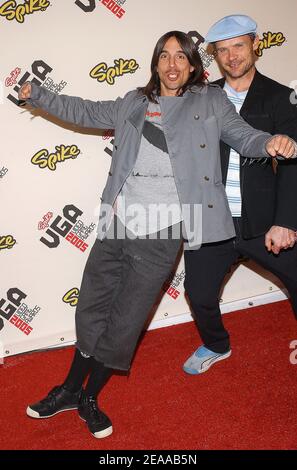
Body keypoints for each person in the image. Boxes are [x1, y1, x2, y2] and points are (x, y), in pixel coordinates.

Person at [19, 30, 296, 439]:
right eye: (164, 56)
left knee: (126, 319)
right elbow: (85, 110)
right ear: (155, 62)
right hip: (118, 220)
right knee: (92, 309)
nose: (171, 65)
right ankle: (68, 391)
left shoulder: (210, 101)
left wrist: (270, 140)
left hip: (165, 228)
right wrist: (39, 96)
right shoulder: (134, 102)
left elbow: (242, 135)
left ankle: (90, 396)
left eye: (180, 58)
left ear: (192, 65)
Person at [183, 15, 297, 375]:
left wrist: (285, 222)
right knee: (198, 294)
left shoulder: (282, 97)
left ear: (255, 45)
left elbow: (294, 164)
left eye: (238, 46)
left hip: (264, 220)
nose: (231, 56)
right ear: (214, 55)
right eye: (222, 50)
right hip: (214, 220)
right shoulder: (202, 97)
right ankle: (216, 344)